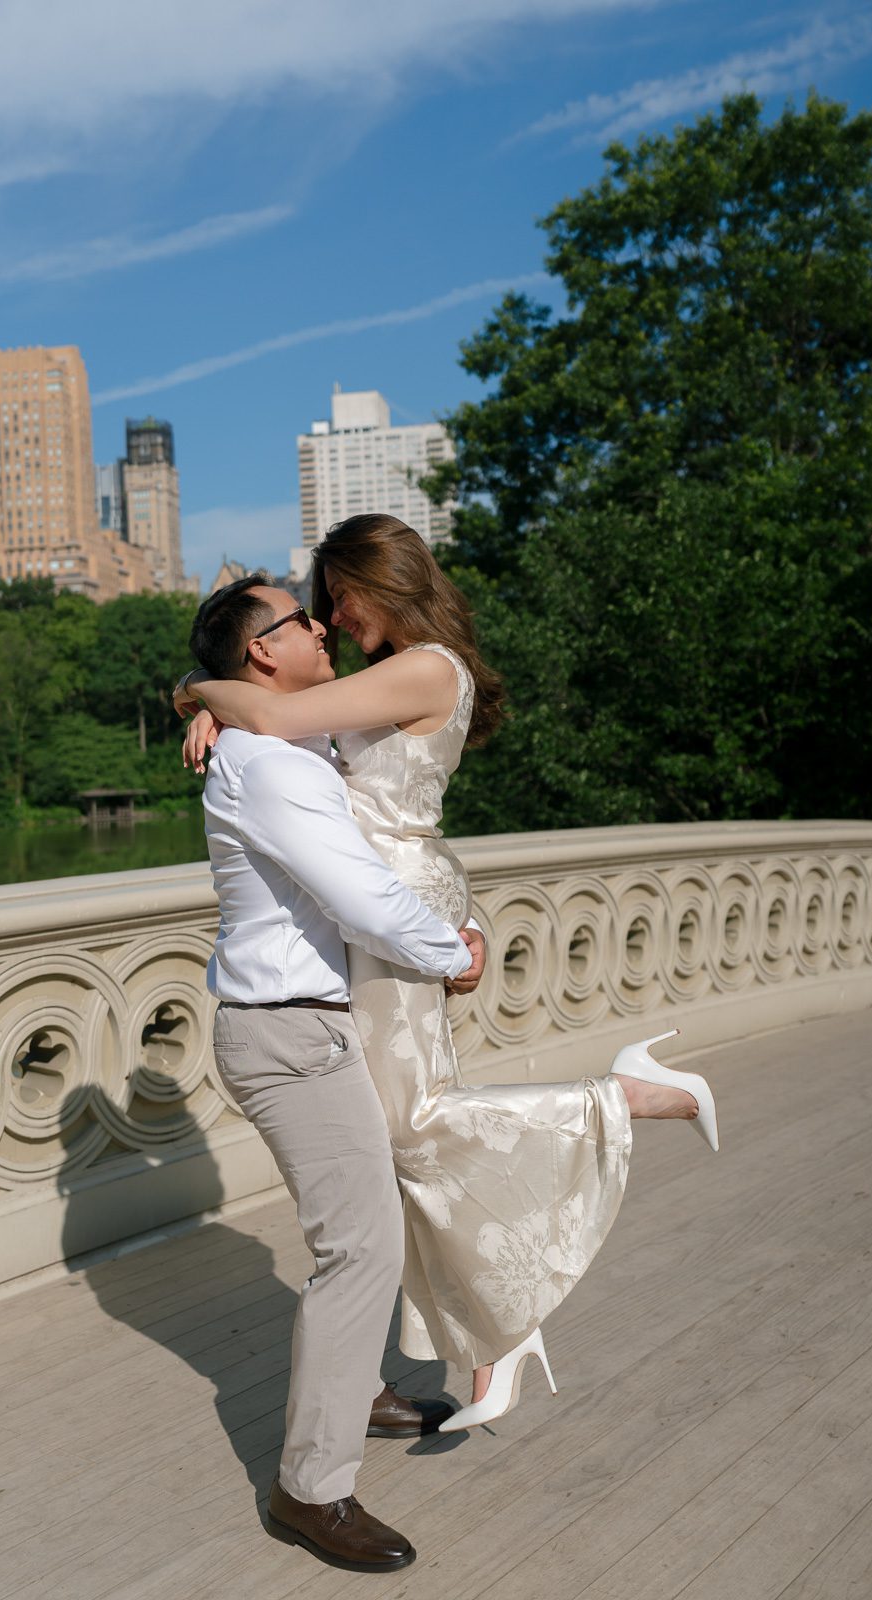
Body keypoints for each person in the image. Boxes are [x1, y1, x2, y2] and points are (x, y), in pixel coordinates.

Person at [177, 514, 718, 1439]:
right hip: (384, 896)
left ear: (382, 581)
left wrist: (194, 689)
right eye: (319, 610)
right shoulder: (390, 673)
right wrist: (216, 706)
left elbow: (273, 713)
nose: (333, 621)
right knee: (397, 1139)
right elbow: (278, 721)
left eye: (338, 600)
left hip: (388, 897)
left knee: (410, 1125)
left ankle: (623, 1100)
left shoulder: (425, 667)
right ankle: (487, 1337)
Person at [191, 573, 489, 1574]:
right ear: (264, 652)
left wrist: (196, 696)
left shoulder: (287, 737)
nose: (322, 625)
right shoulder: (270, 767)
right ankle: (308, 1487)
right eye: (299, 618)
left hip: (316, 1026)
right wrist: (451, 953)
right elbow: (356, 893)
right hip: (288, 1034)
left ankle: (355, 1390)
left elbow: (384, 820)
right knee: (356, 1249)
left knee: (368, 1230)